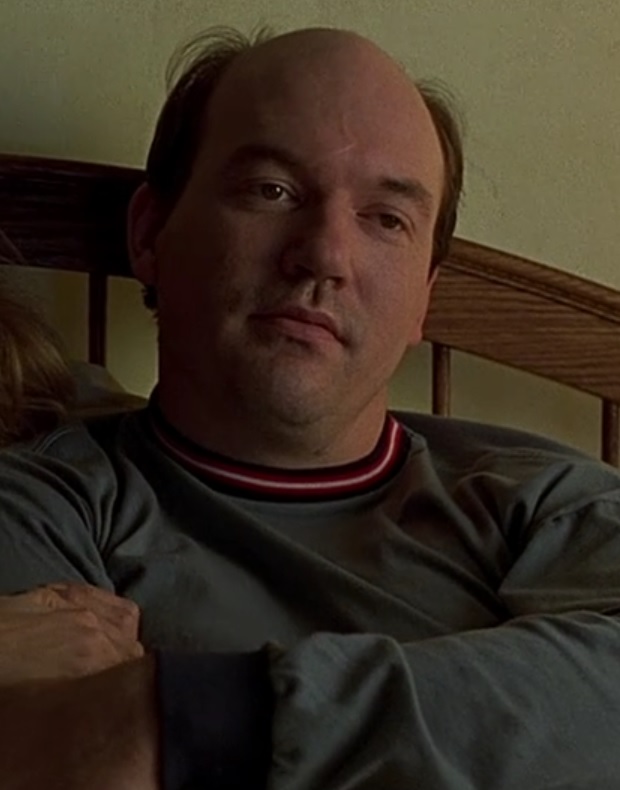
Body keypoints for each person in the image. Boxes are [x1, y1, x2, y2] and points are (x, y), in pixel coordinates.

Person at [1, 24, 620, 790]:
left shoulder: (553, 502)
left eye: (386, 219)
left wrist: (191, 718)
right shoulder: (43, 504)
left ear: (424, 300)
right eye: (272, 190)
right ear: (151, 234)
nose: (325, 255)